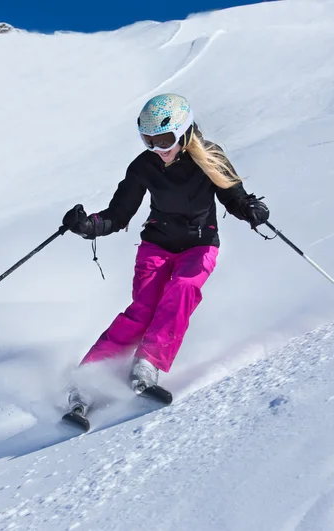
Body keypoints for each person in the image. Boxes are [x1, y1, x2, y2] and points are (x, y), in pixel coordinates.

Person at [62, 93, 269, 411]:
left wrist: (250, 208)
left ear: (184, 131)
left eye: (164, 139)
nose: (158, 149)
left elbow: (233, 196)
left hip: (200, 245)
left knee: (183, 289)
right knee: (143, 309)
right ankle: (88, 377)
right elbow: (118, 215)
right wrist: (87, 226)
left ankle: (147, 363)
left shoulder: (209, 157)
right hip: (156, 245)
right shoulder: (145, 166)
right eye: (148, 140)